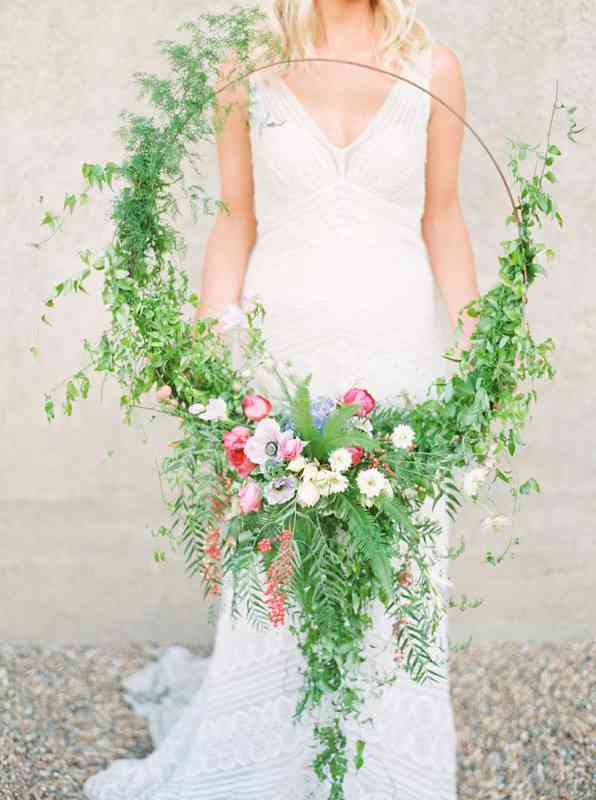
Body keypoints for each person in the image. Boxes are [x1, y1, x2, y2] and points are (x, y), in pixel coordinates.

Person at [84, 0, 479, 797]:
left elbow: (443, 217)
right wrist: (199, 358)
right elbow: (236, 218)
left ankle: (386, 767)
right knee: (276, 568)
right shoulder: (245, 65)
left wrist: (478, 358)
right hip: (279, 351)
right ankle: (266, 756)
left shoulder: (434, 68)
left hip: (394, 354)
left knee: (393, 567)